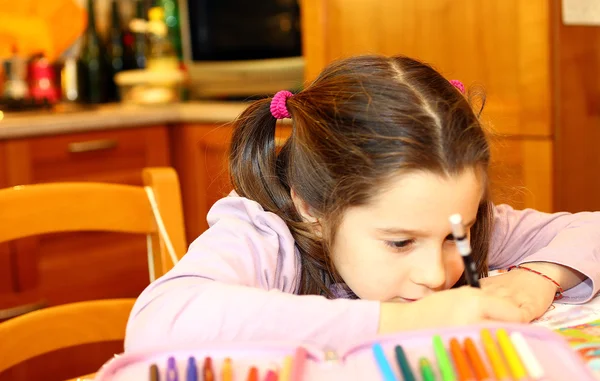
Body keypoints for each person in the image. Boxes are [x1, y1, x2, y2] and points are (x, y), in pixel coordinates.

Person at [125, 55, 600, 353]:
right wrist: (402, 319)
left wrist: (539, 275)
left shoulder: (440, 218)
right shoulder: (266, 234)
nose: (436, 274)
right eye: (399, 243)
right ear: (312, 204)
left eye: (456, 236)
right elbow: (159, 323)